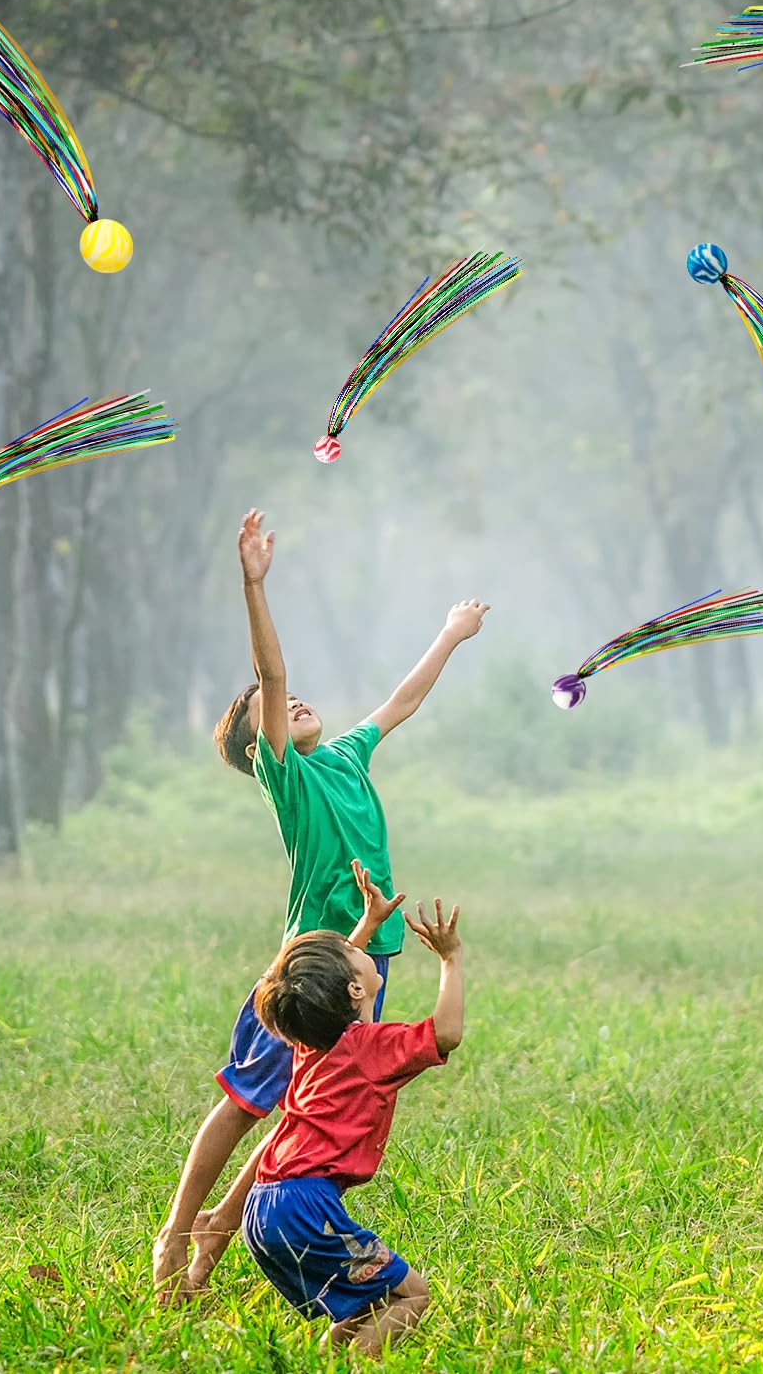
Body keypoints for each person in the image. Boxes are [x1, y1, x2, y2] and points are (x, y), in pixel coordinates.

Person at [152, 507, 488, 1300]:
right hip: (308, 966)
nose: (292, 700)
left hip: (364, 962)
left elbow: (401, 702)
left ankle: (210, 1252)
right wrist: (253, 583)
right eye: (271, 709)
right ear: (255, 745)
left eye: (298, 697)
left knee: (307, 1113)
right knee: (244, 1102)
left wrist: (450, 634)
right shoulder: (289, 777)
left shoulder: (343, 754)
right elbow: (269, 675)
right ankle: (177, 1236)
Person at [242, 890, 463, 1356]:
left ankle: (327, 1360)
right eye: (352, 951)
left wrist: (365, 926)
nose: (356, 946)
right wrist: (450, 958)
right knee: (413, 1294)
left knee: (362, 1304)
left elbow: (327, 989)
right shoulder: (372, 1049)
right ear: (355, 989)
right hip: (306, 1210)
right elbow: (446, 1032)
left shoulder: (310, 1038)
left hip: (262, 1207)